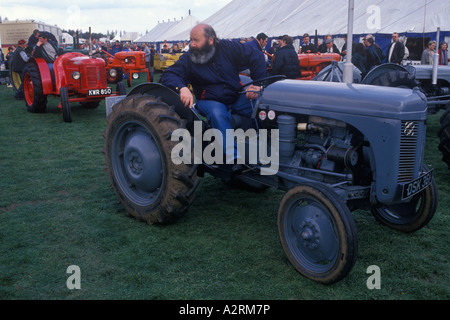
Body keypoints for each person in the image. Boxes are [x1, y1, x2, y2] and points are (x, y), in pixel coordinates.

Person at [160, 23, 266, 170]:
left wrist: (258, 83)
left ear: (210, 40)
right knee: (218, 113)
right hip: (209, 100)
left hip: (235, 96)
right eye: (191, 40)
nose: (192, 44)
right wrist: (182, 88)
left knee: (260, 108)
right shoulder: (189, 58)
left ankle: (265, 149)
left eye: (196, 40)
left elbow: (256, 55)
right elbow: (169, 74)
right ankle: (233, 158)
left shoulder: (228, 47)